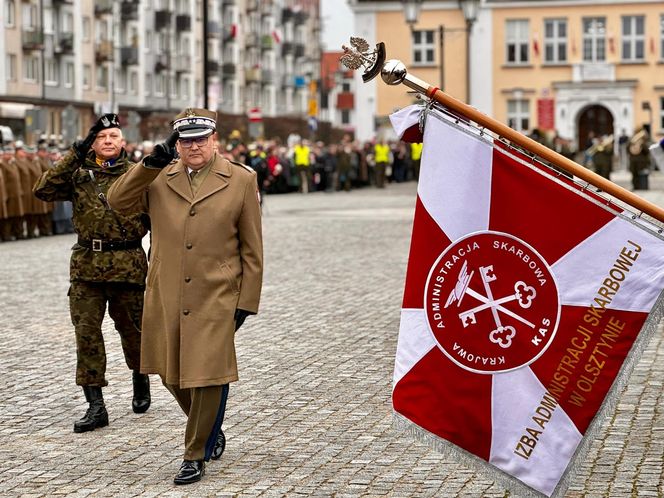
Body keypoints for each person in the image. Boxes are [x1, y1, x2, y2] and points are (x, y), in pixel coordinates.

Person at [107, 108, 263, 485]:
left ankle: (194, 453)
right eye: (186, 140)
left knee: (207, 375)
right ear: (176, 144)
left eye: (200, 139)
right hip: (167, 290)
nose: (194, 146)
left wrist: (246, 301)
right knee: (170, 372)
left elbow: (252, 247)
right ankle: (208, 428)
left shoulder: (241, 179)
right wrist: (148, 165)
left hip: (216, 291)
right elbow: (117, 201)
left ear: (215, 141)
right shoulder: (159, 177)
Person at [33, 113, 151, 433]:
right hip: (87, 266)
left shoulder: (139, 175)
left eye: (113, 136)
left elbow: (162, 221)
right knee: (87, 336)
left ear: (123, 142)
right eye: (101, 137)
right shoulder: (79, 174)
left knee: (135, 333)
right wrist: (75, 152)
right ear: (92, 143)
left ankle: (140, 377)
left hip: (128, 264)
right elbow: (43, 189)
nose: (108, 141)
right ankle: (95, 405)